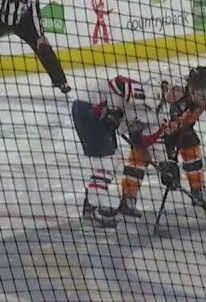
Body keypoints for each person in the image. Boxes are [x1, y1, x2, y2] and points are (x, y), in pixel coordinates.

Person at [117, 66, 206, 219]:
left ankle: (198, 191)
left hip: (174, 125)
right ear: (191, 89)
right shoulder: (174, 97)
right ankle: (128, 198)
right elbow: (161, 127)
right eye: (203, 93)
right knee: (140, 153)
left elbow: (187, 120)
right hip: (148, 122)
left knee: (190, 140)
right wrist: (168, 161)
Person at [69, 75, 165, 229]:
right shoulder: (146, 93)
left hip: (90, 109)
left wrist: (163, 163)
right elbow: (117, 84)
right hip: (89, 107)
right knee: (108, 161)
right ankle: (92, 209)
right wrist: (113, 110)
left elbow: (149, 139)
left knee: (111, 160)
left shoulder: (159, 114)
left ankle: (92, 207)